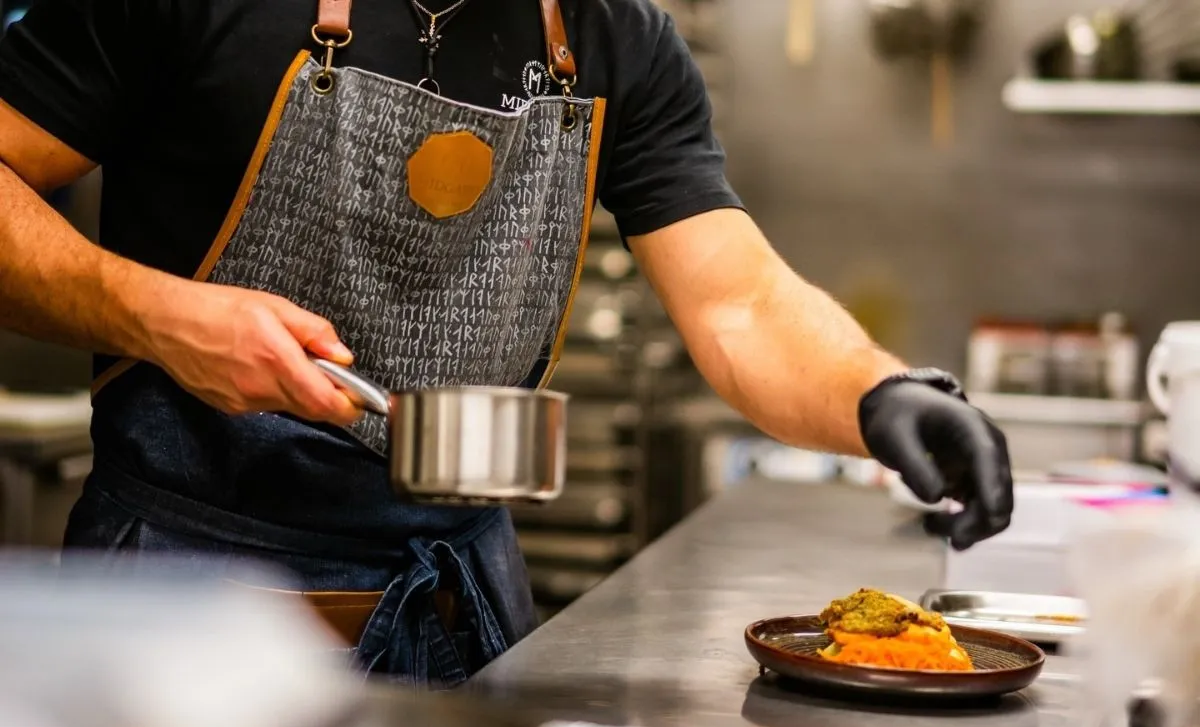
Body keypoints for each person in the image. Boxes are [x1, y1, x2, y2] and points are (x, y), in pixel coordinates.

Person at [0, 0, 1012, 684]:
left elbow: (738, 302)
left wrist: (880, 394)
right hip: (190, 608)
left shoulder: (609, 32)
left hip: (461, 612)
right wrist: (156, 315)